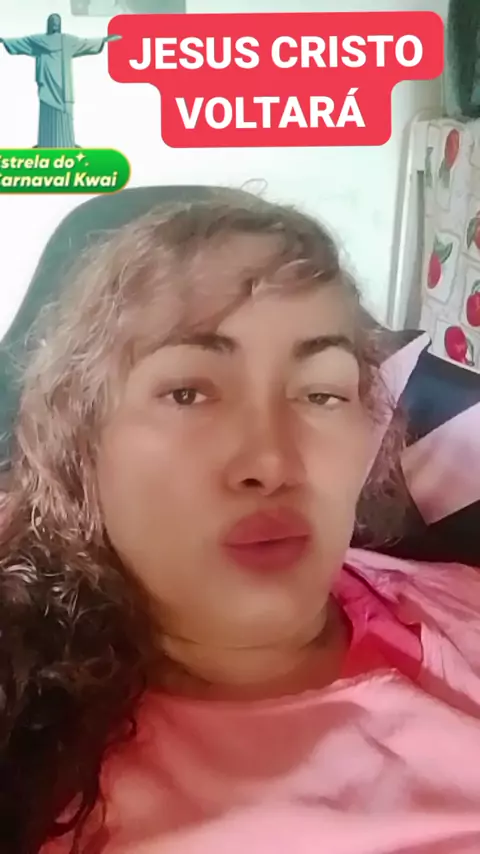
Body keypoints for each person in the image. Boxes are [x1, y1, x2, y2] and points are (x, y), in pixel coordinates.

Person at [1, 194, 480, 854]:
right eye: (188, 393)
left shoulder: (458, 598)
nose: (270, 464)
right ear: (82, 444)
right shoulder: (34, 755)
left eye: (321, 393)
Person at [0, 14, 121, 148]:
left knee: (65, 110)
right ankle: (46, 143)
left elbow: (84, 43)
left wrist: (102, 40)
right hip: (47, 83)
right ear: (49, 24)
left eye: (57, 22)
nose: (55, 24)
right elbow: (23, 42)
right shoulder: (39, 40)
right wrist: (4, 40)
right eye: (53, 22)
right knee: (47, 108)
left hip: (63, 86)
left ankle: (66, 143)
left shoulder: (67, 40)